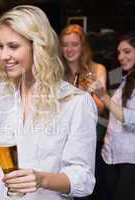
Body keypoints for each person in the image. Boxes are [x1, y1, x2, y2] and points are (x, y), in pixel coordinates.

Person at [0, 5, 97, 199]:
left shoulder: (76, 102)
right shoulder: (2, 93)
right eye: (1, 46)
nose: (4, 56)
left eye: (13, 46)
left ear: (38, 46)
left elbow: (83, 178)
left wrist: (42, 179)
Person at [59, 24, 108, 200]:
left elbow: (101, 106)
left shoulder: (97, 69)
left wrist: (83, 94)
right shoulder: (57, 72)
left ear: (83, 46)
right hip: (61, 138)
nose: (69, 49)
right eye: (65, 45)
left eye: (74, 44)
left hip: (89, 137)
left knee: (85, 186)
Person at [88, 32, 135, 200]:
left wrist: (103, 96)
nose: (121, 57)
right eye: (119, 52)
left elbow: (131, 120)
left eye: (127, 51)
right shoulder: (125, 79)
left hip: (130, 160)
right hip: (111, 156)